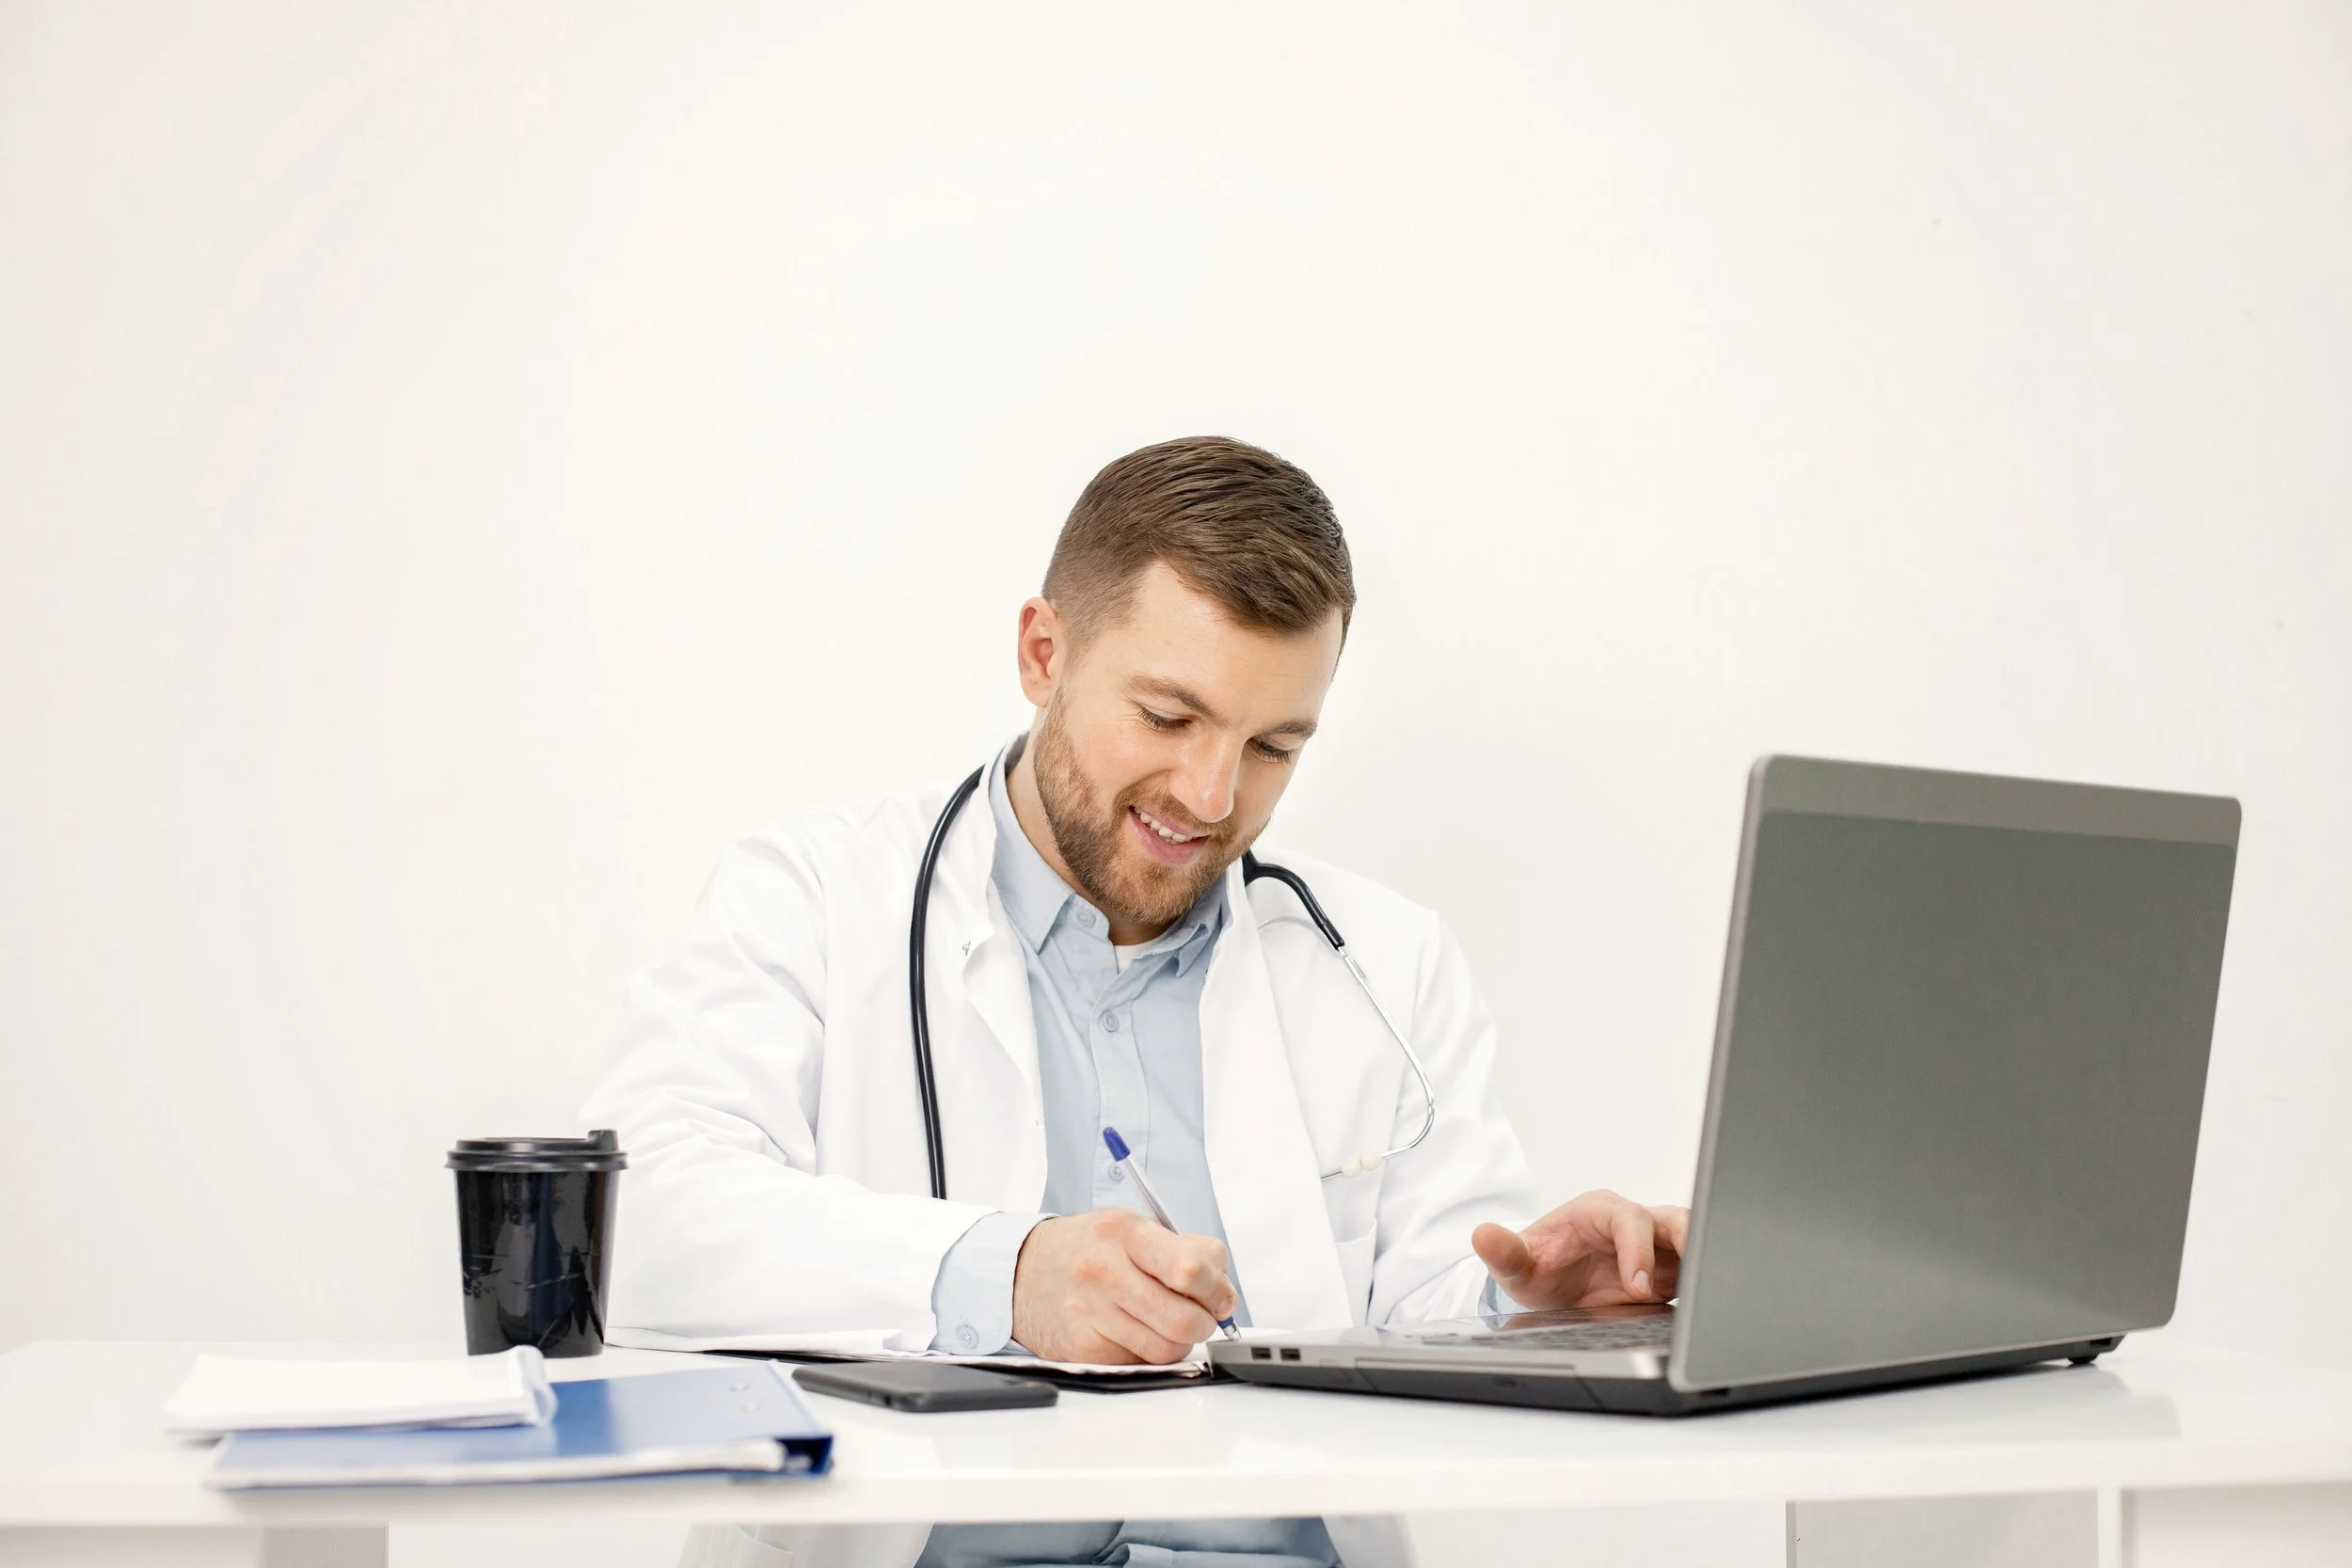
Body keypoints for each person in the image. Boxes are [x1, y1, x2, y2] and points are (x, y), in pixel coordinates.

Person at [580, 436, 1688, 1568]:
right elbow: (641, 1217)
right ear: (1042, 651)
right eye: (1167, 717)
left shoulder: (1383, 960)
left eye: (1272, 745)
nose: (1210, 795)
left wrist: (1538, 1312)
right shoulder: (812, 900)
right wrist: (1000, 1275)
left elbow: (1424, 1309)